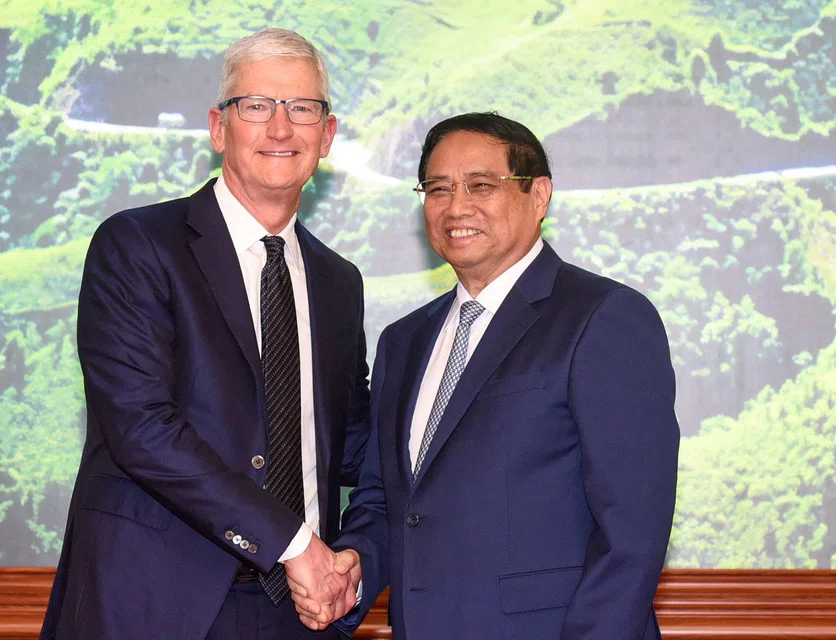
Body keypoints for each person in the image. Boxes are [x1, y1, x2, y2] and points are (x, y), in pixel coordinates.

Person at [294, 112, 679, 639]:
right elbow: (388, 502)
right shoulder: (403, 342)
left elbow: (631, 534)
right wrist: (353, 572)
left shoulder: (603, 317)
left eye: (481, 185)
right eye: (437, 188)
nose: (457, 207)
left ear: (539, 195)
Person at [40, 28, 370, 640]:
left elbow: (354, 446)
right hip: (156, 605)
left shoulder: (337, 281)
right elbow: (142, 429)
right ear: (220, 128)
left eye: (302, 108)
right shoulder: (137, 245)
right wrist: (294, 545)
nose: (280, 128)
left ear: (327, 136)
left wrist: (356, 553)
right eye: (257, 106)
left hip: (300, 615)